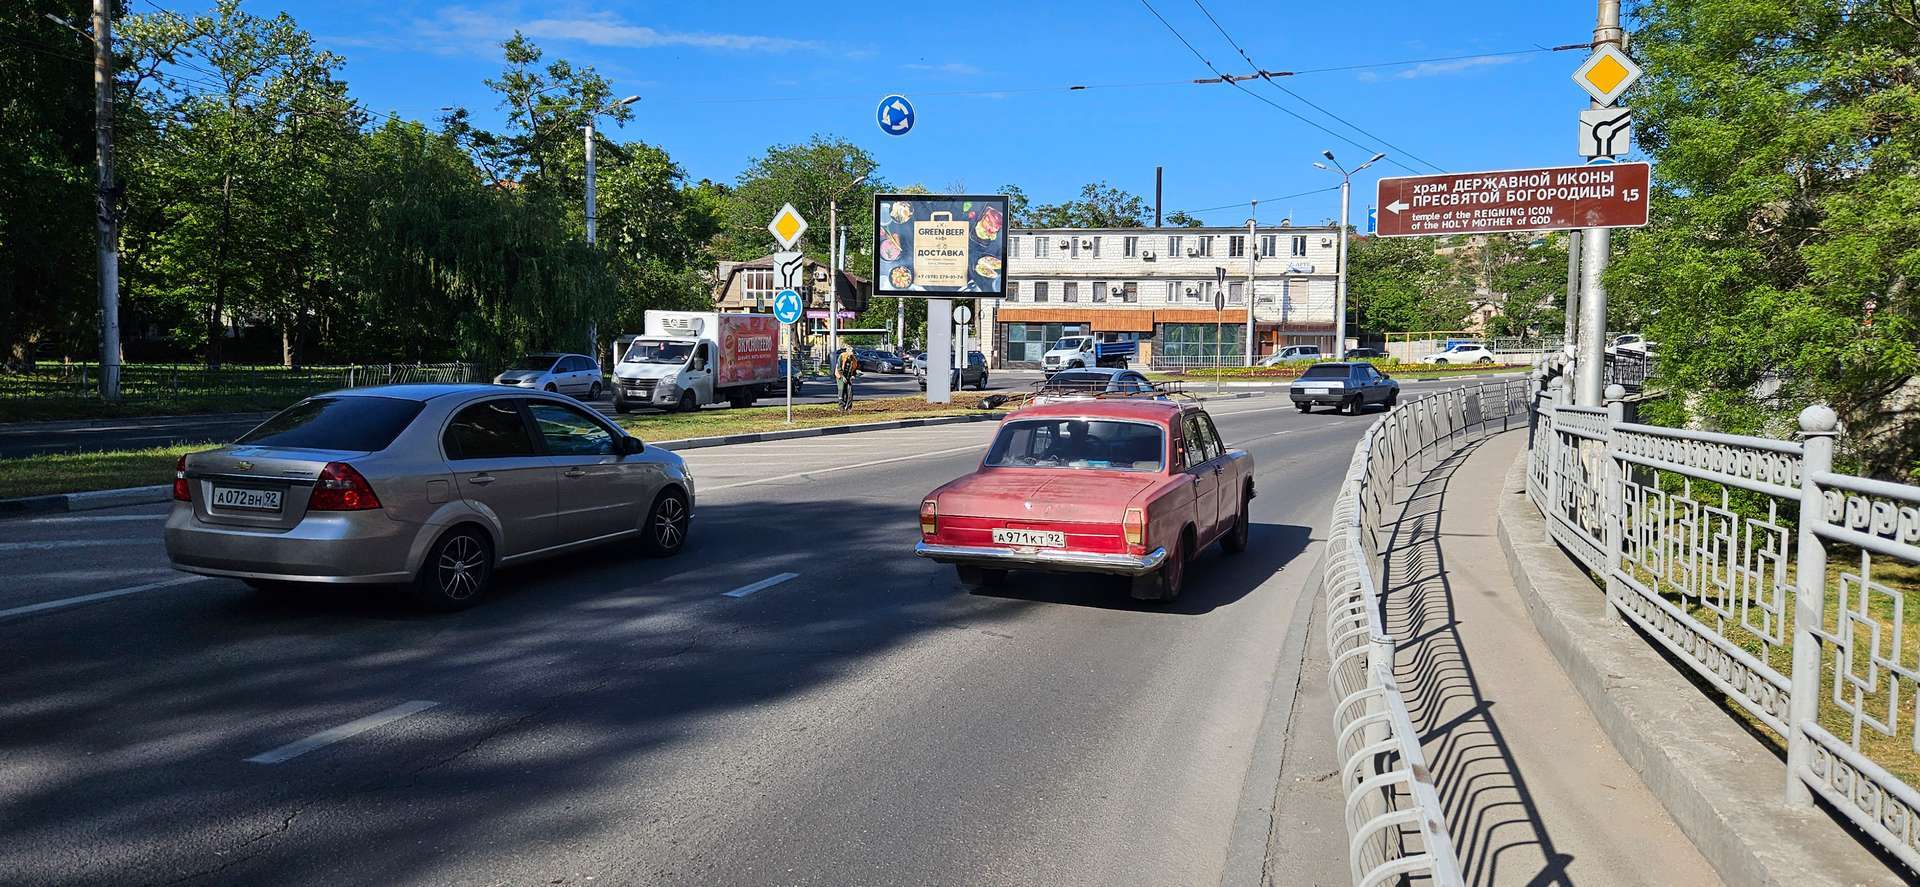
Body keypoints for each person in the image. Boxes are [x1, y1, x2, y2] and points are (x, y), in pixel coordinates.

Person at [835, 345, 859, 411]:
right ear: (847, 351)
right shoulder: (842, 356)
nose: (852, 352)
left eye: (853, 351)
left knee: (850, 392)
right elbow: (839, 368)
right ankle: (841, 407)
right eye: (851, 351)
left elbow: (855, 368)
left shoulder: (854, 359)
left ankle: (849, 407)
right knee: (842, 391)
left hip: (848, 376)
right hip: (840, 375)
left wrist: (853, 375)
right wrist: (842, 377)